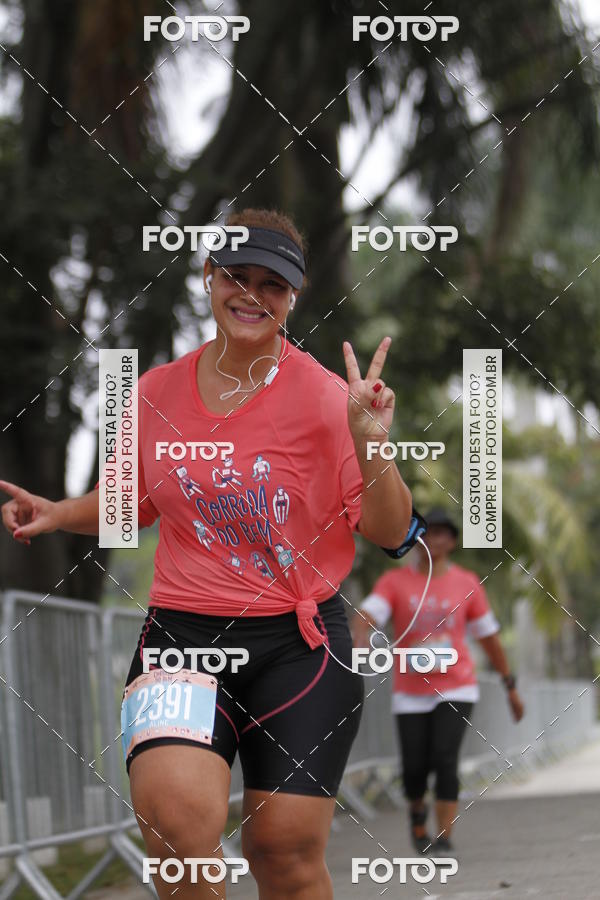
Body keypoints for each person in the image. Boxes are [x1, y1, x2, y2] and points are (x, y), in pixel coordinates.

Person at [1, 207, 413, 899]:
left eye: (272, 284)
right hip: (182, 639)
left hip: (301, 646)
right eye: (236, 276)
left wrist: (371, 442)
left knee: (282, 851)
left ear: (294, 294)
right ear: (207, 278)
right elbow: (129, 502)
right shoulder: (153, 392)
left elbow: (391, 532)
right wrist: (57, 512)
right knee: (176, 831)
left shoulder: (329, 398)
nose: (252, 294)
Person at [352, 507, 524, 859]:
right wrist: (359, 643)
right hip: (410, 691)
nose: (435, 539)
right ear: (416, 539)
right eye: (428, 533)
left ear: (454, 541)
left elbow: (489, 637)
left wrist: (509, 685)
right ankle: (418, 820)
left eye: (443, 533)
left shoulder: (467, 583)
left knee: (445, 758)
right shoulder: (394, 582)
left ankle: (444, 837)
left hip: (457, 685)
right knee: (415, 765)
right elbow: (368, 615)